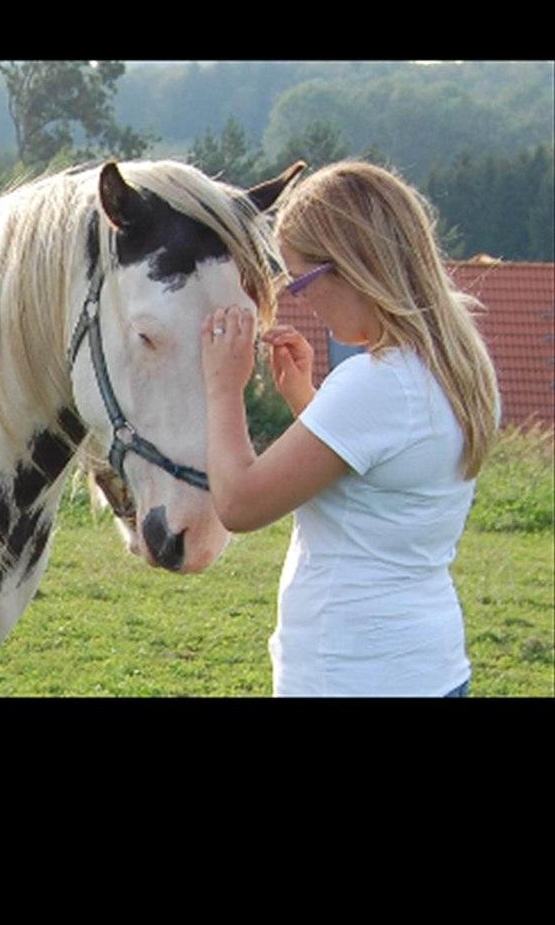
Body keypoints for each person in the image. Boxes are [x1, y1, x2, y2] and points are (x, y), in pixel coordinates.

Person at [201, 160, 500, 698]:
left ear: (354, 266)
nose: (303, 302)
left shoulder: (374, 384)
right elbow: (380, 478)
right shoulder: (456, 363)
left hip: (353, 674)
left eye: (304, 282)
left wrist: (223, 387)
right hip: (427, 667)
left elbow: (239, 504)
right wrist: (308, 402)